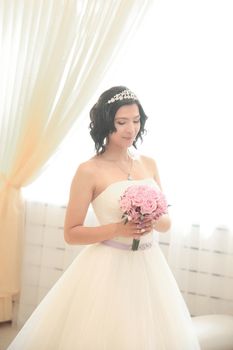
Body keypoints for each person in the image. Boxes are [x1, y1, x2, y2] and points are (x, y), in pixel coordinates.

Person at [7, 86, 200, 349]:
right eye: (121, 122)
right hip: (108, 268)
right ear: (105, 123)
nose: (130, 129)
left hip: (150, 266)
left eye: (135, 120)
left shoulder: (150, 163)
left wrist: (151, 218)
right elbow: (71, 233)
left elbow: (166, 224)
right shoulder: (89, 171)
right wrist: (118, 229)